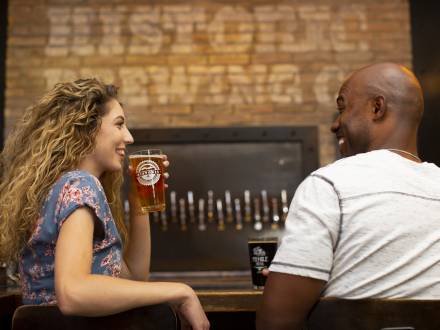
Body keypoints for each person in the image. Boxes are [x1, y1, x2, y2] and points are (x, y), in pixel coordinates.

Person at [0, 78, 209, 330]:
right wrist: (181, 291)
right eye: (119, 124)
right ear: (86, 128)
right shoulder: (81, 185)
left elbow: (134, 279)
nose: (129, 137)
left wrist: (139, 203)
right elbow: (73, 293)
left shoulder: (58, 188)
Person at [256, 62, 440, 330]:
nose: (335, 124)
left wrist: (294, 284)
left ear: (377, 108)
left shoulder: (331, 184)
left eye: (342, 108)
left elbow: (277, 322)